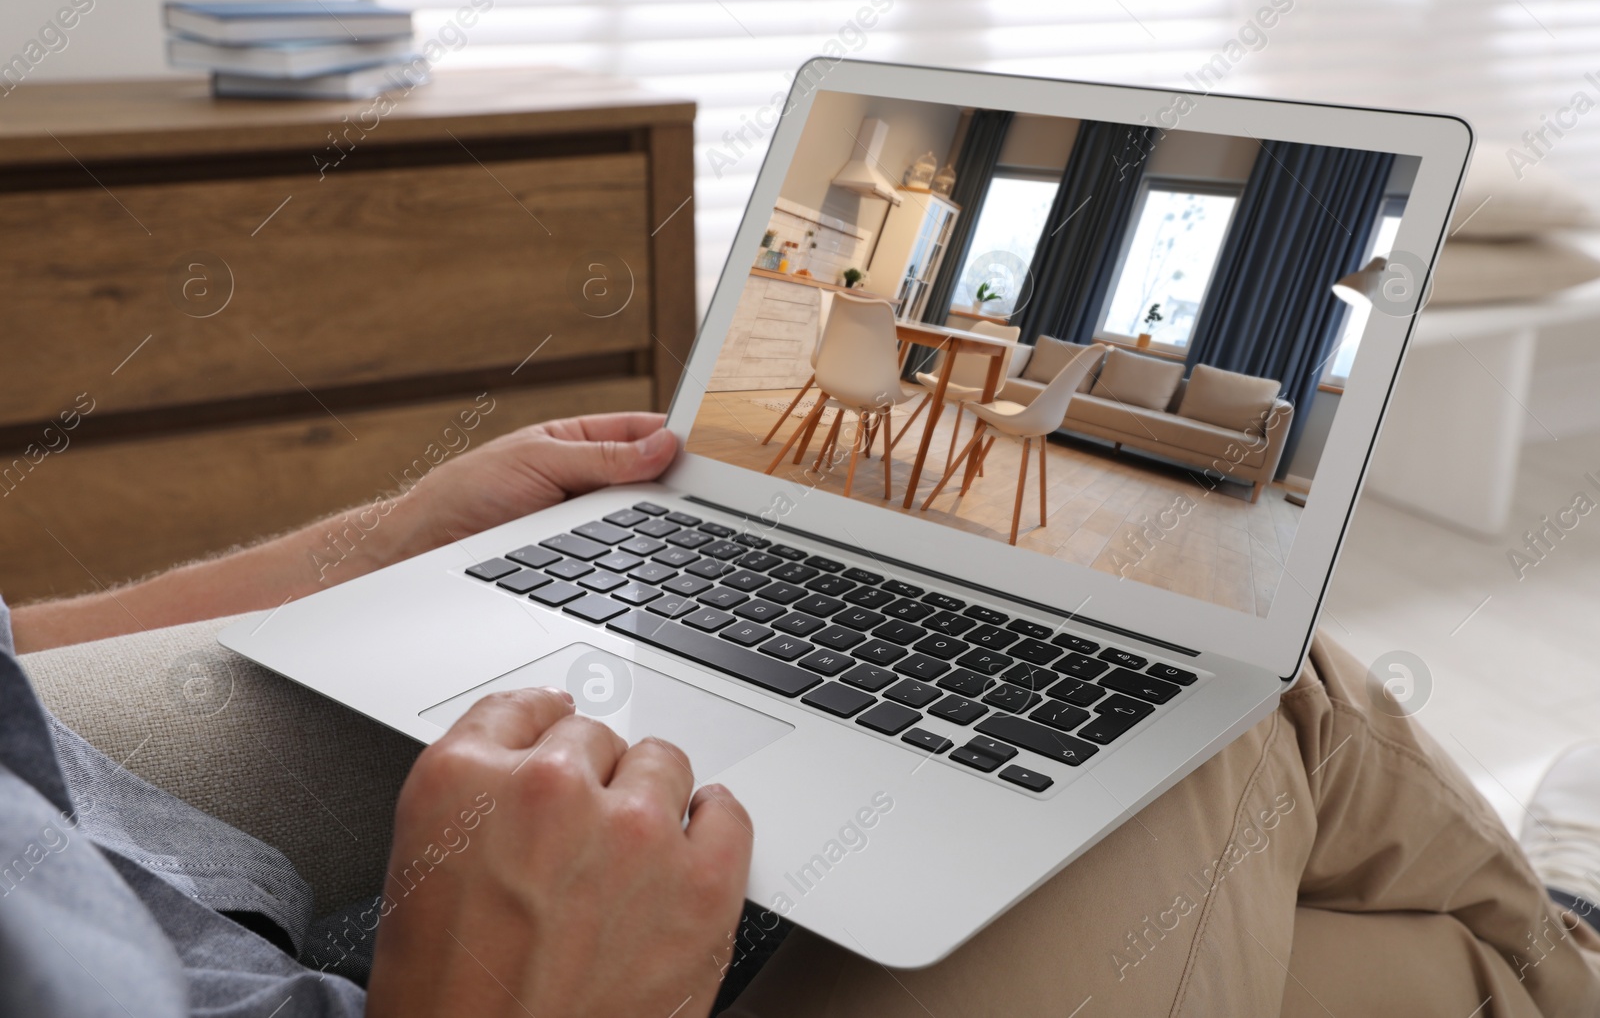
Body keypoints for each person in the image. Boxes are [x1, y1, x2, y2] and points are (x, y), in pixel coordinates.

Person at [3, 410, 1599, 1017]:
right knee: (1205, 714)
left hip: (136, 856)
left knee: (1166, 727)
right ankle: (1563, 954)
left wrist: (374, 543)